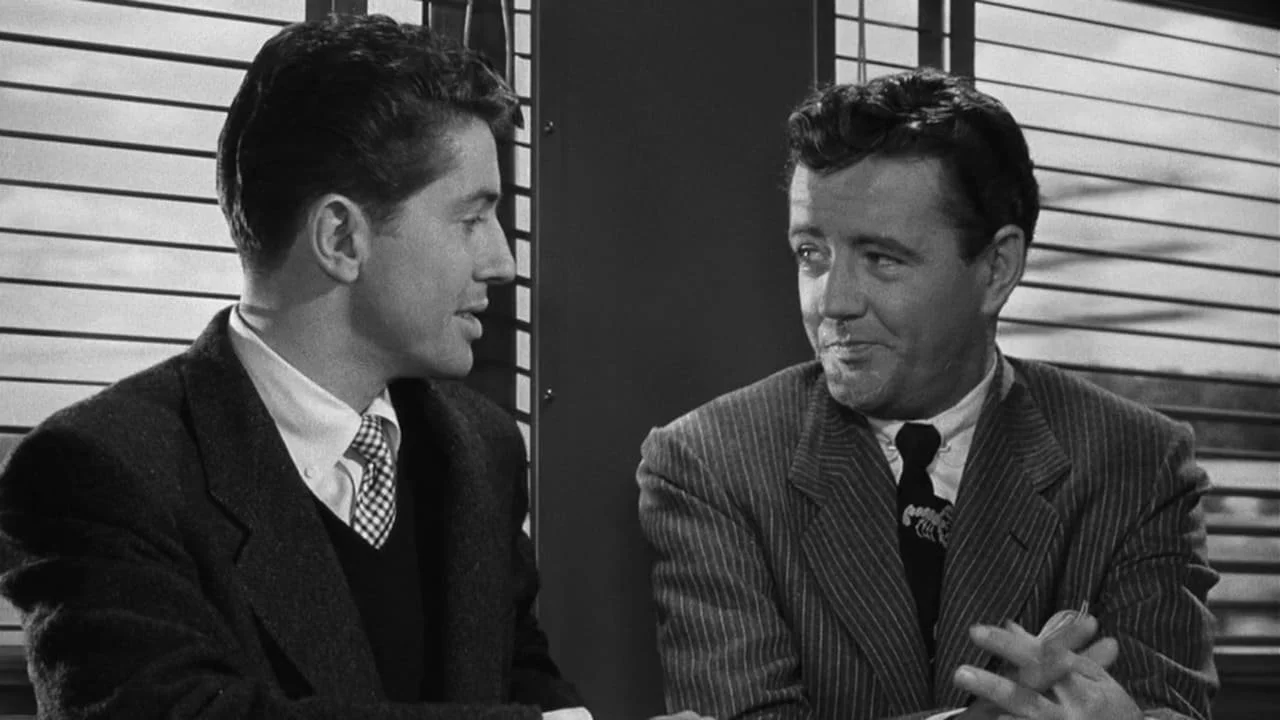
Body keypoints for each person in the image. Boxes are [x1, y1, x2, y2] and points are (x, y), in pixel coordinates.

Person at [0, 14, 600, 719]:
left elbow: (528, 683)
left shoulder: (481, 450)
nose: (503, 261)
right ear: (341, 237)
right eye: (471, 219)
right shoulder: (100, 473)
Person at [636, 68, 1218, 720]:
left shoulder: (1140, 462)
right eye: (811, 254)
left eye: (881, 258)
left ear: (996, 269)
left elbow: (1166, 707)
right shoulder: (710, 463)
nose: (832, 302)